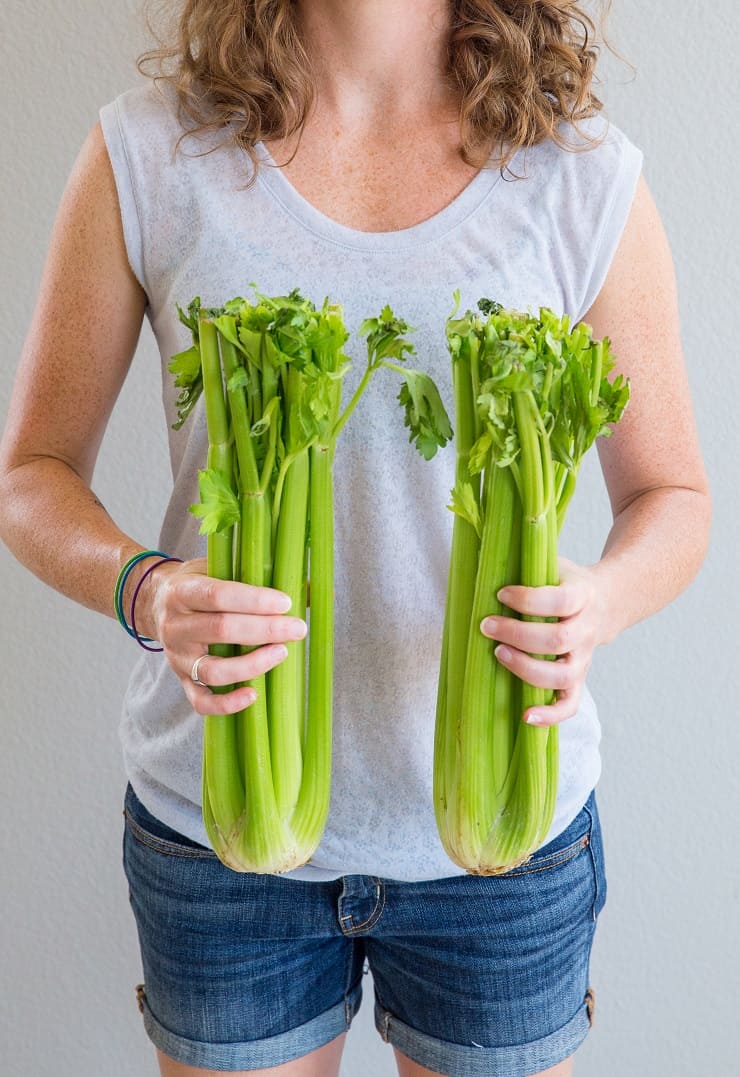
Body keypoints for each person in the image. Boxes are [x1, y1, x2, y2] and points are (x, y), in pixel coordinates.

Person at [0, 2, 710, 1076]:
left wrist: (597, 602)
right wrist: (145, 591)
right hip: (216, 840)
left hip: (503, 864)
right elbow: (31, 475)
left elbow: (671, 494)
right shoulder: (148, 152)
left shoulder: (577, 171)